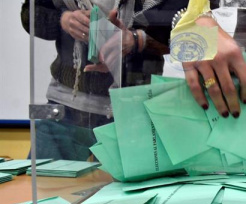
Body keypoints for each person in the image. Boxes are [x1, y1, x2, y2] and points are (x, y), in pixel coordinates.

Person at [21, 0, 189, 160]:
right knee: (41, 185)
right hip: (66, 107)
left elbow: (191, 25)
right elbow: (29, 14)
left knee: (130, 189)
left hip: (138, 108)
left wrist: (137, 40)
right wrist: (63, 19)